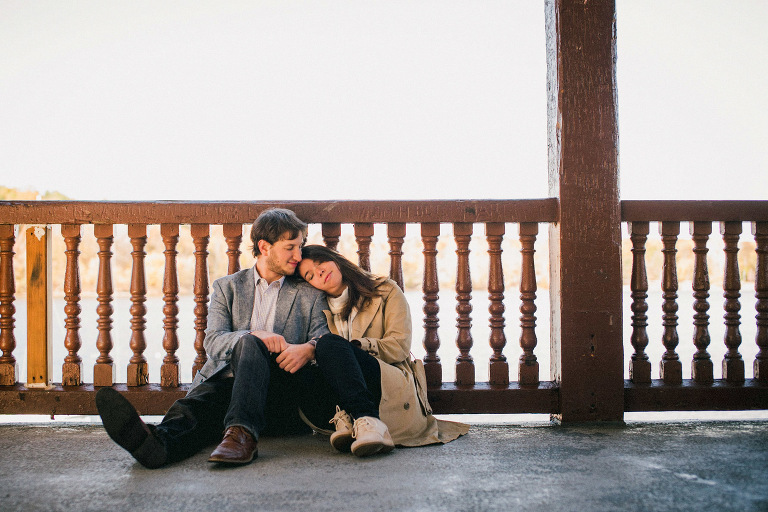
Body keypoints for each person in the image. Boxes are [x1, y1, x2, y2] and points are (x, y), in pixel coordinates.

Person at [95, 208, 393, 467]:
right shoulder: (228, 287)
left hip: (279, 392)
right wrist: (254, 334)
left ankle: (241, 436)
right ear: (265, 247)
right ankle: (155, 446)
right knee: (201, 404)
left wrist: (307, 348)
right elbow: (213, 341)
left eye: (299, 246)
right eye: (290, 247)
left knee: (242, 357)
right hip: (231, 385)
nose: (298, 256)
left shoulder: (306, 292)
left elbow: (322, 336)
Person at [297, 244, 469, 450]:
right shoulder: (318, 307)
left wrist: (356, 347)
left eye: (320, 262)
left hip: (385, 381)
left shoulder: (385, 291)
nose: (319, 272)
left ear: (334, 258)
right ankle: (348, 422)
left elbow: (399, 346)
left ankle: (368, 420)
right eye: (310, 275)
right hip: (341, 393)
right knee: (300, 365)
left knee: (328, 343)